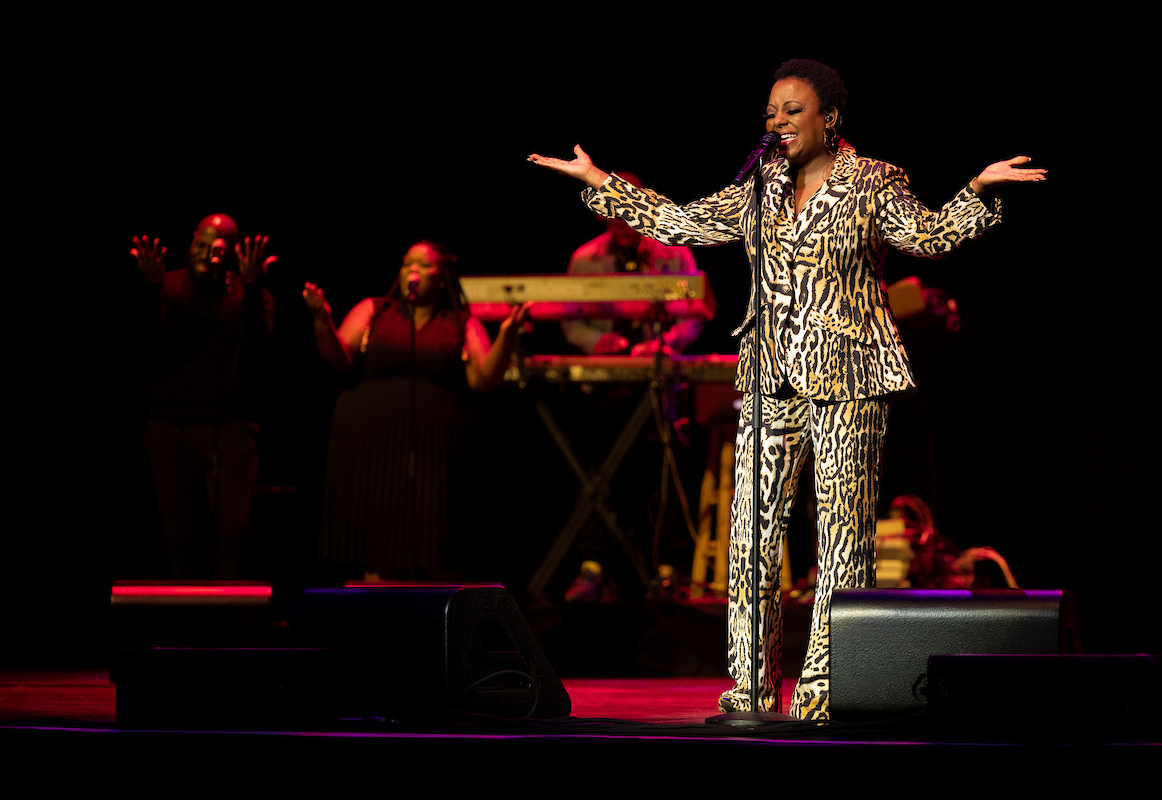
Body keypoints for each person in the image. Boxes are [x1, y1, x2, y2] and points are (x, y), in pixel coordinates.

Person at [530, 58, 1045, 721]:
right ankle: (748, 687)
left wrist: (978, 188)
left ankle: (827, 689)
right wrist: (600, 181)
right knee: (748, 537)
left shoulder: (871, 182)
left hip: (850, 377)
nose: (778, 122)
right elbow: (683, 224)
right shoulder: (758, 187)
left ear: (830, 119)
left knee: (842, 542)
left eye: (793, 111)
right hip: (770, 378)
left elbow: (930, 236)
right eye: (771, 112)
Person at [304, 241, 528, 579]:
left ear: (442, 276)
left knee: (432, 542)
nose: (413, 270)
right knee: (376, 545)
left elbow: (483, 380)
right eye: (408, 262)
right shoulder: (373, 310)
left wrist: (506, 338)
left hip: (435, 451)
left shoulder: (461, 323)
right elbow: (339, 359)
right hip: (369, 449)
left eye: (424, 265)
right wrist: (322, 320)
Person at [131, 213, 276, 579]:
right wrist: (150, 288)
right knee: (180, 540)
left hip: (231, 428)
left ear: (229, 254)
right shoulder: (168, 285)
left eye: (216, 247)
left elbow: (258, 361)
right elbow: (143, 352)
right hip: (170, 427)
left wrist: (254, 289)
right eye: (200, 243)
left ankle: (232, 628)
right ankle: (186, 628)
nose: (204, 253)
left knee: (233, 535)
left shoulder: (249, 295)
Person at [561, 172, 702, 357]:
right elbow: (570, 320)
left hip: (661, 370)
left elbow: (694, 317)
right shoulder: (584, 260)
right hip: (602, 375)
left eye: (626, 219)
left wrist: (664, 344)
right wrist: (597, 341)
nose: (620, 226)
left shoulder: (675, 255)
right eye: (612, 219)